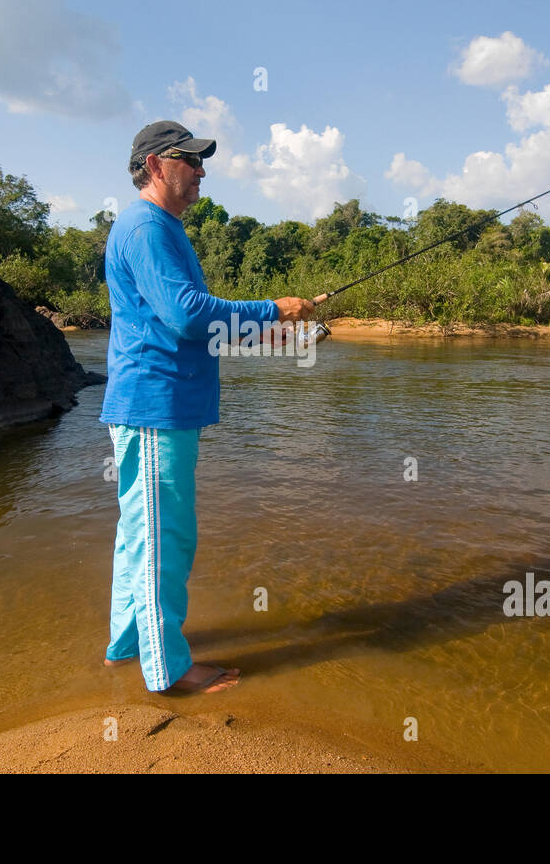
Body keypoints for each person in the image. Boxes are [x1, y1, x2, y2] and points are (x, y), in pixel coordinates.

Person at [99, 120, 313, 694]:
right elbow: (189, 314)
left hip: (158, 404)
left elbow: (186, 325)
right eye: (188, 160)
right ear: (154, 166)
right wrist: (273, 310)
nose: (200, 171)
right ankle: (167, 671)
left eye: (200, 162)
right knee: (163, 539)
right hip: (153, 406)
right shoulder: (147, 227)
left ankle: (126, 647)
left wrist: (261, 332)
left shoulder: (160, 227)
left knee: (141, 535)